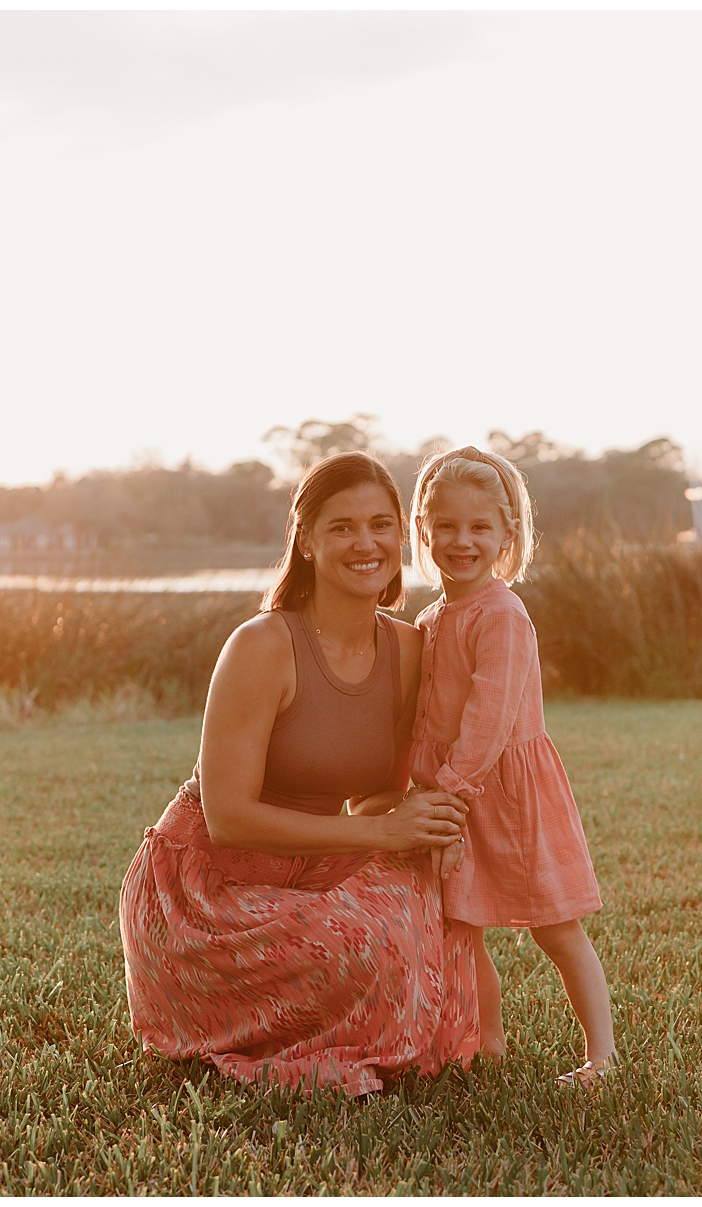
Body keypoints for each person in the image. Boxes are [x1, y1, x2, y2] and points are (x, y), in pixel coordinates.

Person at [119, 451, 480, 1096]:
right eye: (341, 527)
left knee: (425, 906)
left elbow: (377, 796)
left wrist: (422, 820)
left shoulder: (408, 650)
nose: (365, 543)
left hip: (314, 866)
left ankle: (361, 1023)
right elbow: (228, 819)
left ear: (403, 535)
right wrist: (379, 836)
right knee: (362, 937)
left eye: (381, 524)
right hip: (207, 894)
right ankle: (288, 1034)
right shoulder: (262, 646)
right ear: (307, 541)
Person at [407, 446, 614, 1086]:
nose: (461, 540)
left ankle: (602, 1056)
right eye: (446, 525)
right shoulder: (431, 618)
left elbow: (490, 718)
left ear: (506, 536)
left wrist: (447, 790)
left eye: (478, 527)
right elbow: (426, 716)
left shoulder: (502, 614)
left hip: (507, 792)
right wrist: (415, 781)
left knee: (555, 927)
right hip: (453, 792)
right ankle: (484, 1041)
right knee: (461, 925)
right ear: (425, 530)